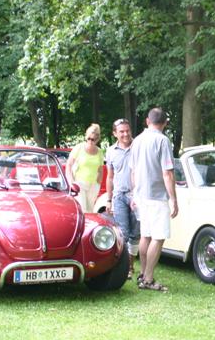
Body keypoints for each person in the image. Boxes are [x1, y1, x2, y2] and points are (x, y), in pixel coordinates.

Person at [130, 107, 177, 292]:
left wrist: (135, 193)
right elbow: (167, 173)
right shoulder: (163, 141)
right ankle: (148, 278)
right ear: (165, 123)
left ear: (148, 121)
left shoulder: (138, 140)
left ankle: (143, 274)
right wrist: (173, 198)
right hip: (157, 196)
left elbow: (132, 171)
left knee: (145, 236)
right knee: (158, 237)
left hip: (141, 195)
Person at [105, 118, 139, 278]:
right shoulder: (111, 151)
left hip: (137, 196)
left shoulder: (138, 147)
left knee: (136, 234)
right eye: (121, 131)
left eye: (127, 130)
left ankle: (131, 265)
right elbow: (110, 177)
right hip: (119, 196)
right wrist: (109, 199)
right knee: (123, 233)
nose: (125, 134)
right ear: (115, 134)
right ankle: (124, 267)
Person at [65, 123, 104, 213]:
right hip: (79, 184)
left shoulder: (100, 152)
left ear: (97, 139)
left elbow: (100, 170)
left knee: (90, 211)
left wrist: (98, 183)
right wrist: (71, 182)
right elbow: (69, 165)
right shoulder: (79, 148)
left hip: (93, 186)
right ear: (86, 137)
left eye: (93, 139)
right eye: (88, 138)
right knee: (82, 209)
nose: (90, 141)